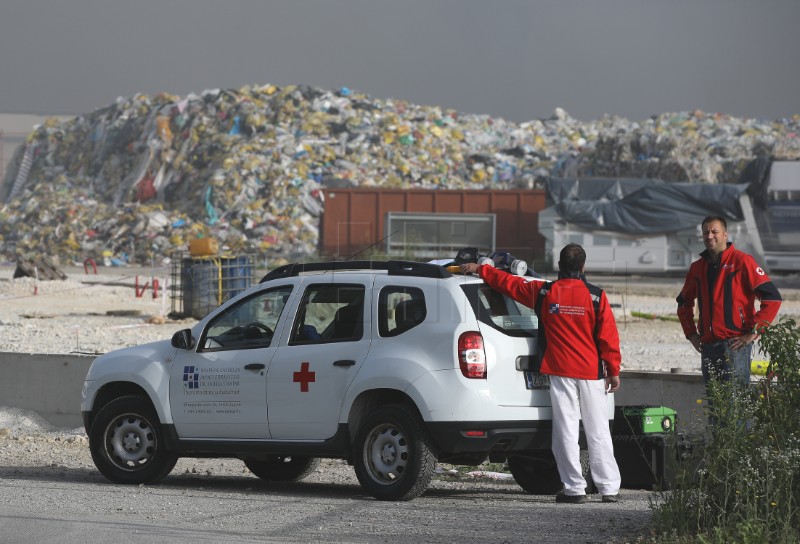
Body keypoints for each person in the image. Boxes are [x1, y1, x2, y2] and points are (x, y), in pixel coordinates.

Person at [461, 243, 621, 504]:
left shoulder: (544, 292)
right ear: (583, 267)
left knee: (566, 430)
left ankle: (574, 489)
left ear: (560, 266)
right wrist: (613, 370)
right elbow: (609, 339)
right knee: (599, 429)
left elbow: (509, 284)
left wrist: (483, 270)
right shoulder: (596, 296)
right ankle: (609, 489)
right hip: (592, 373)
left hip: (560, 371)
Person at [677, 216, 782, 395]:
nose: (710, 236)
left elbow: (773, 298)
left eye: (714, 232)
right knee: (716, 408)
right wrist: (691, 334)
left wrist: (753, 332)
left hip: (735, 346)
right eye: (706, 232)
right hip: (708, 347)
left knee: (737, 409)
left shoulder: (742, 262)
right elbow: (683, 303)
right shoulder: (697, 268)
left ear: (725, 234)